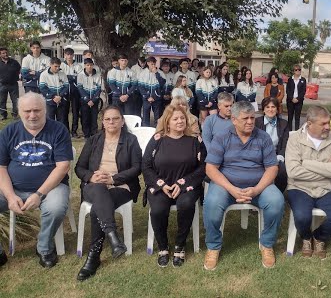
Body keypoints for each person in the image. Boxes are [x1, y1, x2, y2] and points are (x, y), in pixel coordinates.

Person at [203, 101, 285, 270]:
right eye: (245, 118)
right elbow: (211, 168)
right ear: (233, 119)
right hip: (227, 186)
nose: (250, 122)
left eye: (252, 118)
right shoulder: (222, 137)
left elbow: (272, 168)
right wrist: (232, 189)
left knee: (276, 201)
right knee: (211, 203)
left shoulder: (263, 137)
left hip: (257, 185)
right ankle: (213, 246)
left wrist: (257, 189)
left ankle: (267, 244)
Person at [0, 92, 72, 268]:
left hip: (50, 188)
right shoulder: (9, 131)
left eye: (37, 110)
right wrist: (10, 196)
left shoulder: (58, 130)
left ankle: (44, 248)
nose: (32, 115)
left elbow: (63, 166)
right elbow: (1, 168)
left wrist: (39, 194)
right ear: (19, 111)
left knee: (55, 208)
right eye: (27, 111)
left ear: (45, 110)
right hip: (13, 188)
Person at [75, 105, 142, 281]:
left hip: (121, 187)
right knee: (99, 191)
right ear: (103, 122)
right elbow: (79, 168)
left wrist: (113, 179)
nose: (111, 122)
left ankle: (94, 256)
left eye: (115, 118)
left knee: (99, 205)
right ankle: (112, 237)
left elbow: (137, 168)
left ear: (122, 121)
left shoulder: (131, 141)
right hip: (94, 186)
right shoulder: (93, 140)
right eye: (107, 119)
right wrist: (92, 176)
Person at [142, 105, 206, 268]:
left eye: (182, 118)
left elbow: (203, 167)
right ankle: (162, 246)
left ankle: (180, 244)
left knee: (186, 204)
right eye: (175, 118)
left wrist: (182, 183)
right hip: (161, 185)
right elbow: (146, 166)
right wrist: (160, 184)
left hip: (187, 185)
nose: (180, 121)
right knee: (157, 209)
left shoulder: (195, 140)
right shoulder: (157, 139)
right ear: (167, 122)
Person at [286, 106, 331, 257]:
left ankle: (318, 237)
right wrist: (327, 171)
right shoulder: (295, 139)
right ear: (309, 124)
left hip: (326, 189)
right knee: (302, 217)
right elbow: (293, 172)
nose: (328, 127)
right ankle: (306, 237)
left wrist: (305, 163)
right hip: (299, 187)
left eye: (328, 123)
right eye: (323, 124)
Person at [255, 97, 289, 192]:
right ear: (263, 109)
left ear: (277, 109)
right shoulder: (256, 122)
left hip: (277, 155)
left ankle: (278, 193)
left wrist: (280, 157)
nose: (270, 109)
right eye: (267, 107)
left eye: (273, 107)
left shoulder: (284, 123)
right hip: (260, 154)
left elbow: (285, 144)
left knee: (282, 171)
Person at [39, 57, 69, 129]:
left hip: (61, 100)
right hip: (50, 101)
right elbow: (43, 88)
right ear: (50, 65)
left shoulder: (62, 74)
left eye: (59, 66)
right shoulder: (44, 74)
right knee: (49, 120)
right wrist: (53, 97)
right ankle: (50, 135)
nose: (57, 68)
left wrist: (60, 96)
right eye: (55, 66)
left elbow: (66, 86)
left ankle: (61, 136)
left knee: (62, 120)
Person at [77, 58, 103, 139]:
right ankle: (86, 134)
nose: (89, 67)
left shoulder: (98, 75)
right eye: (87, 65)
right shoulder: (80, 75)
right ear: (85, 65)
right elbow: (80, 88)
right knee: (85, 117)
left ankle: (94, 133)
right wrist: (87, 100)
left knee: (94, 117)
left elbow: (99, 89)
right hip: (84, 100)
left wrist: (94, 100)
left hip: (94, 101)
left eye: (91, 65)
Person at [60, 48, 83, 138]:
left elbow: (80, 78)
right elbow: (60, 78)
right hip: (64, 92)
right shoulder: (61, 65)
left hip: (75, 92)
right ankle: (66, 131)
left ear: (73, 55)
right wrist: (72, 77)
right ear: (64, 55)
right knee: (64, 112)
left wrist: (68, 77)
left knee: (75, 112)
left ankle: (74, 131)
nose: (69, 56)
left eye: (71, 54)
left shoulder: (78, 66)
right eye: (67, 54)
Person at [137, 57, 165, 127]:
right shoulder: (143, 73)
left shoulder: (160, 72)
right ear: (148, 63)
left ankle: (157, 130)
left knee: (157, 117)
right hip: (146, 99)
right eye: (151, 64)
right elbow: (140, 86)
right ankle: (145, 131)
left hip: (157, 98)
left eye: (154, 64)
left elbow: (162, 83)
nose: (153, 65)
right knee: (145, 117)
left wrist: (156, 73)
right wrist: (147, 96)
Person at [0, 47, 21, 120]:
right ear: (0, 55)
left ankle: (15, 114)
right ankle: (3, 115)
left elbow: (19, 69)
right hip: (2, 85)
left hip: (13, 85)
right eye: (3, 53)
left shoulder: (14, 62)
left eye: (6, 52)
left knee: (15, 101)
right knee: (2, 101)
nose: (5, 54)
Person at [286, 64, 307, 131]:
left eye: (299, 69)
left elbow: (303, 91)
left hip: (299, 101)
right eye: (296, 70)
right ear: (293, 71)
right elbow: (288, 90)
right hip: (290, 101)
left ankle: (296, 131)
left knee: (297, 117)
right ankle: (289, 131)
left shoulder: (303, 80)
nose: (298, 71)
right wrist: (292, 98)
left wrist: (297, 99)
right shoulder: (290, 79)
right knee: (290, 117)